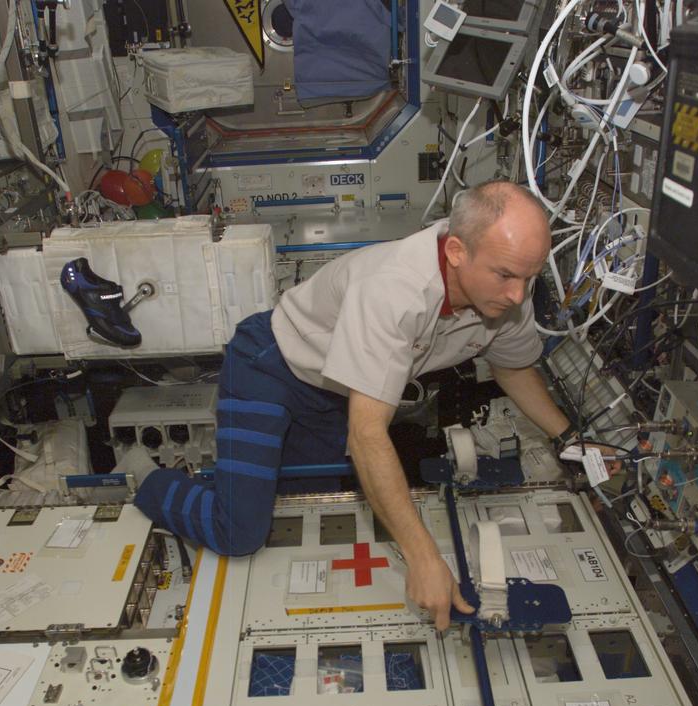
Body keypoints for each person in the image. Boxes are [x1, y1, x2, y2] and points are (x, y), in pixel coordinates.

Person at [133, 180, 571, 629]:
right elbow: (367, 434)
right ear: (457, 251)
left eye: (529, 277)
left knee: (311, 513)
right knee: (240, 531)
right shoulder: (394, 289)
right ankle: (145, 480)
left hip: (335, 393)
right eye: (505, 275)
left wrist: (572, 442)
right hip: (270, 367)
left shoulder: (506, 297)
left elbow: (513, 369)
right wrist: (423, 557)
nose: (518, 296)